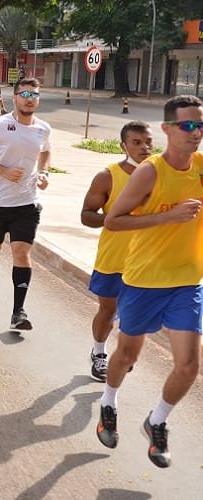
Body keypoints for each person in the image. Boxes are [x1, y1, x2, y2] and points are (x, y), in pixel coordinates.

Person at [96, 95, 203, 469]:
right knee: (127, 355)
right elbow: (113, 221)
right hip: (143, 280)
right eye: (188, 125)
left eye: (201, 125)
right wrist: (168, 217)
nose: (196, 132)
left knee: (188, 365)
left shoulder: (201, 168)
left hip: (187, 280)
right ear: (168, 129)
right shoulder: (150, 172)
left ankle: (157, 422)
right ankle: (109, 402)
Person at [0, 77, 51, 330]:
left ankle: (18, 313)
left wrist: (44, 172)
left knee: (21, 252)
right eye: (24, 94)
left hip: (27, 202)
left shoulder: (43, 128)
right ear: (14, 98)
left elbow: (45, 151)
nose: (29, 99)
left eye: (34, 94)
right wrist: (3, 171)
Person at [80, 121, 153, 381]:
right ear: (123, 146)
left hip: (147, 261)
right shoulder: (107, 176)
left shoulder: (160, 176)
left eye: (148, 142)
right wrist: (114, 218)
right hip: (113, 258)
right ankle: (99, 352)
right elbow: (86, 215)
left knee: (135, 315)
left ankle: (123, 352)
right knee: (108, 311)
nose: (144, 147)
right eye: (136, 142)